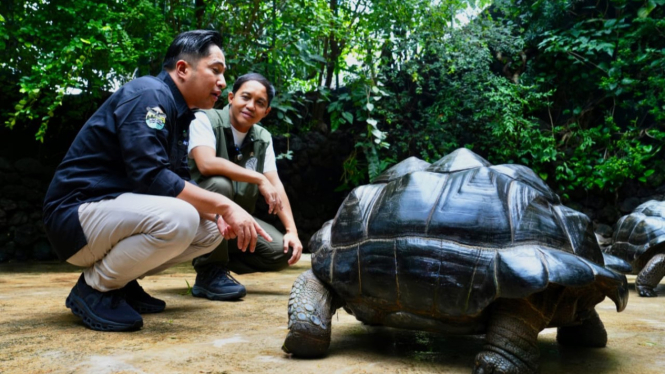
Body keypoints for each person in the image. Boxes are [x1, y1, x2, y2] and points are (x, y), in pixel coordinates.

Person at [42, 30, 271, 332]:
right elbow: (151, 176)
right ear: (182, 69)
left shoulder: (180, 115)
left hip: (111, 215)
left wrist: (219, 215)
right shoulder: (150, 94)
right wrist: (225, 204)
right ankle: (95, 289)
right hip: (75, 216)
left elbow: (177, 182)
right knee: (183, 217)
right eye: (215, 70)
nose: (222, 82)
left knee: (211, 229)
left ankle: (121, 283)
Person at [187, 73, 303, 301]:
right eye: (245, 97)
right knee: (220, 185)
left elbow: (275, 183)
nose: (251, 106)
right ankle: (209, 270)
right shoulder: (204, 119)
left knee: (282, 252)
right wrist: (258, 179)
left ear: (266, 111)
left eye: (260, 103)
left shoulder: (262, 138)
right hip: (197, 216)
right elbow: (206, 163)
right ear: (231, 97)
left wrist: (292, 232)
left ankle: (220, 261)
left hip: (235, 223)